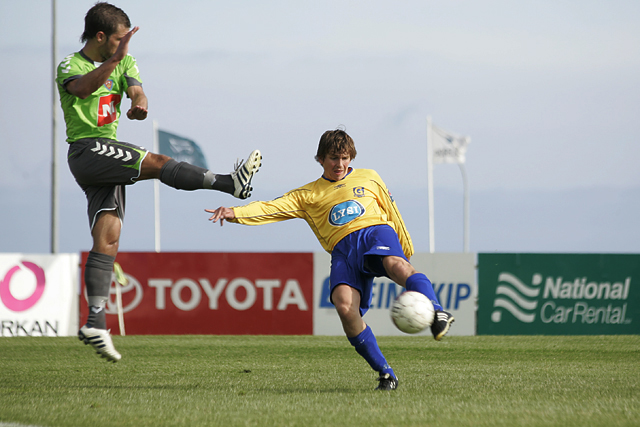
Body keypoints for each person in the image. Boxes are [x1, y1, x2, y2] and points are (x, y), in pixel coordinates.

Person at [56, 2, 262, 363]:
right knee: (159, 162)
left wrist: (140, 103)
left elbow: (137, 90)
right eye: (119, 41)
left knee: (108, 237)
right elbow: (83, 90)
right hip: (88, 150)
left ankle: (95, 322)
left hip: (108, 154)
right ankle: (231, 184)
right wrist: (115, 61)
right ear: (101, 37)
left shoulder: (124, 61)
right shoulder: (70, 65)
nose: (125, 47)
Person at [206, 129, 454, 391]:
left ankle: (438, 310)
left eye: (345, 158)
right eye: (334, 158)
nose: (340, 164)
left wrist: (405, 248)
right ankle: (385, 373)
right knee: (344, 306)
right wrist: (235, 212)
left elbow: (393, 212)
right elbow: (271, 207)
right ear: (321, 159)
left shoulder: (369, 177)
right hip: (342, 250)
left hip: (375, 232)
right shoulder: (308, 195)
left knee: (398, 266)